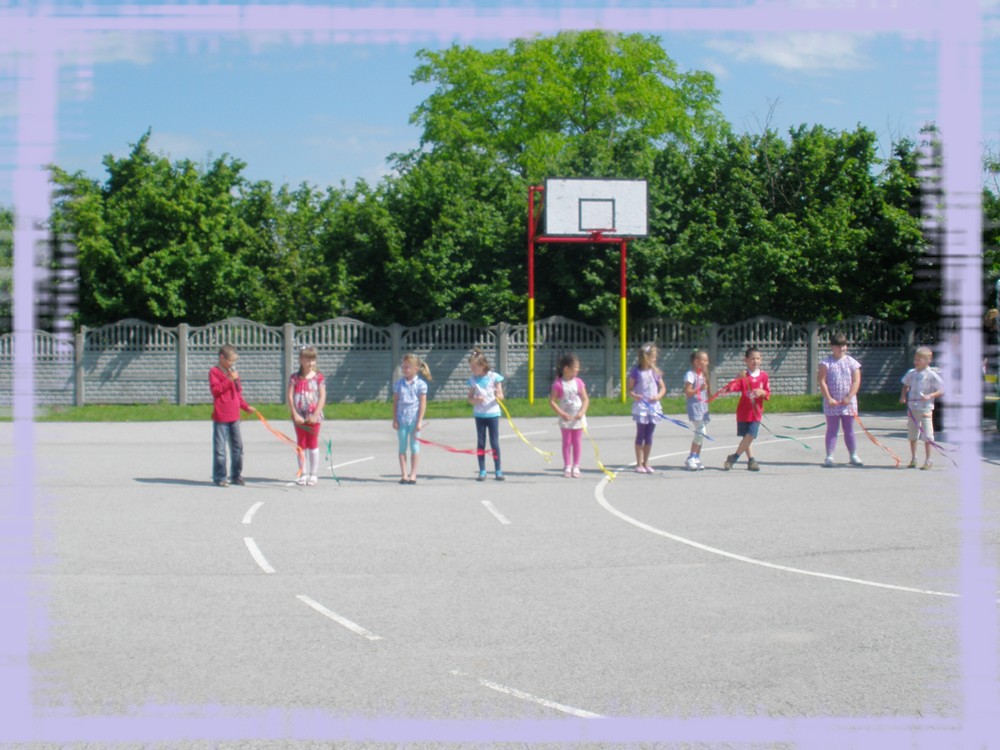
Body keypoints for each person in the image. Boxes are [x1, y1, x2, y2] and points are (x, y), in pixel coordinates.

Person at [209, 344, 256, 487]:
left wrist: (245, 407)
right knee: (220, 449)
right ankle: (220, 477)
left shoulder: (233, 372)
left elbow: (237, 393)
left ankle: (236, 475)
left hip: (234, 415)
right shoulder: (214, 372)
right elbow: (216, 391)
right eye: (230, 360)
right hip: (221, 416)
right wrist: (229, 380)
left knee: (237, 448)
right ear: (221, 357)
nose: (232, 364)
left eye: (234, 361)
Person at [817, 332, 863, 467]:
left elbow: (856, 381)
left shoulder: (852, 362)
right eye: (838, 346)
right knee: (832, 429)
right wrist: (829, 398)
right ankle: (829, 456)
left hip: (848, 404)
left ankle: (853, 455)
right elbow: (821, 381)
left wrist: (849, 397)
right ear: (832, 347)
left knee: (849, 429)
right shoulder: (826, 363)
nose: (841, 349)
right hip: (832, 404)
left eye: (843, 346)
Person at [722, 346, 770, 472]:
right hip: (743, 412)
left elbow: (767, 393)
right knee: (746, 438)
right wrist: (737, 379)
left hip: (756, 413)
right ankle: (751, 460)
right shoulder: (744, 376)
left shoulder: (764, 376)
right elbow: (730, 388)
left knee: (751, 435)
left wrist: (762, 392)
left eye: (758, 358)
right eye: (752, 359)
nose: (755, 361)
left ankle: (734, 457)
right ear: (746, 360)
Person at [900, 346, 944, 469]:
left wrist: (930, 395)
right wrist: (903, 396)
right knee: (912, 435)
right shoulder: (911, 373)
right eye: (915, 359)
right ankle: (914, 458)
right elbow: (905, 385)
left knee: (927, 435)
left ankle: (928, 460)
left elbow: (942, 389)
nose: (916, 361)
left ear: (928, 360)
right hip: (912, 408)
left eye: (919, 359)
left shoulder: (932, 375)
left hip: (925, 409)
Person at [287, 346, 326, 486]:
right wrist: (295, 414)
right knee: (301, 444)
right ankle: (303, 473)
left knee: (313, 443)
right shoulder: (295, 378)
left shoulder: (318, 377)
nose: (310, 363)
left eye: (313, 360)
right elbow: (290, 396)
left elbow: (322, 396)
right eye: (307, 360)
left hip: (314, 416)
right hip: (299, 416)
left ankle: (313, 474)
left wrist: (315, 415)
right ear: (301, 360)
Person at [549, 353, 590, 478]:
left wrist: (581, 412)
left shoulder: (579, 382)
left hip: (578, 417)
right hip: (565, 418)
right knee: (567, 441)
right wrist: (562, 413)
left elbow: (585, 399)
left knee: (577, 441)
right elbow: (552, 401)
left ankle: (576, 465)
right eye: (575, 368)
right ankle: (567, 465)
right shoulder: (558, 384)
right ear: (566, 369)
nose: (577, 371)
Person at [627, 342, 666, 474]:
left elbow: (663, 388)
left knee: (649, 435)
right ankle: (639, 463)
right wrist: (635, 395)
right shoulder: (636, 372)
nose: (655, 359)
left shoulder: (655, 372)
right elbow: (629, 389)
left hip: (653, 407)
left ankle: (646, 462)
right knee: (641, 434)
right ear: (645, 357)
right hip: (642, 407)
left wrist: (658, 396)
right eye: (653, 357)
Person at [392, 353, 431, 485]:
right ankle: (404, 474)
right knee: (402, 448)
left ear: (415, 369)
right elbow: (395, 402)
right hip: (402, 420)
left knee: (414, 447)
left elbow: (422, 404)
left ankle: (413, 474)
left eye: (407, 367)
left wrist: (419, 421)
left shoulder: (420, 384)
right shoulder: (399, 384)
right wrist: (395, 419)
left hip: (414, 421)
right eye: (403, 367)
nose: (404, 369)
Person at [467, 349, 505, 481]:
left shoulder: (494, 377)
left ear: (482, 366)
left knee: (494, 442)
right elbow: (469, 398)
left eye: (474, 367)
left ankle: (498, 470)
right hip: (480, 415)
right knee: (481, 442)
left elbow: (501, 396)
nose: (472, 370)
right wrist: (475, 400)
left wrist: (497, 395)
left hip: (492, 414)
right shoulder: (473, 380)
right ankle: (482, 470)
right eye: (471, 367)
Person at [683, 349, 710, 471]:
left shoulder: (702, 374)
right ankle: (691, 457)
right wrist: (699, 389)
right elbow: (688, 392)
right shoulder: (690, 375)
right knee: (701, 431)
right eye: (704, 360)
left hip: (703, 407)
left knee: (700, 433)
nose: (707, 363)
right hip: (695, 407)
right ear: (696, 361)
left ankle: (697, 458)